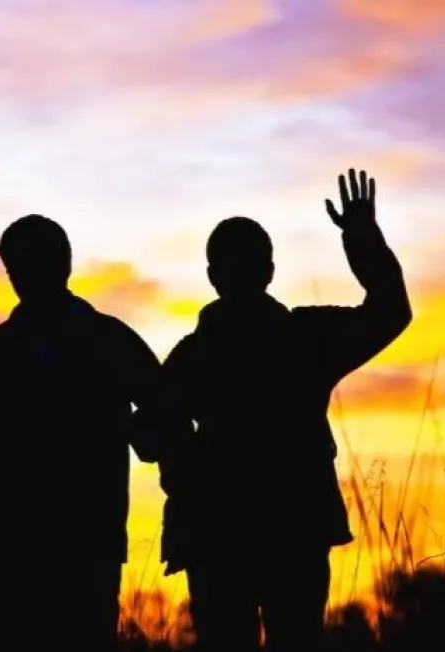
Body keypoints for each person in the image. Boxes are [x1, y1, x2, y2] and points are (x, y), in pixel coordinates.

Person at [159, 169, 412, 651]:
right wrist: (362, 239)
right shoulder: (304, 339)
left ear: (213, 278)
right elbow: (390, 311)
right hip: (283, 531)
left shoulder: (195, 355)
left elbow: (153, 434)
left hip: (226, 535)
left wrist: (187, 470)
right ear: (270, 271)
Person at [0, 214, 171, 651]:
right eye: (19, 267)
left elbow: (165, 419)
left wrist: (134, 432)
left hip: (84, 548)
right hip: (16, 550)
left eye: (36, 263)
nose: (27, 276)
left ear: (64, 263)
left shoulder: (105, 341)